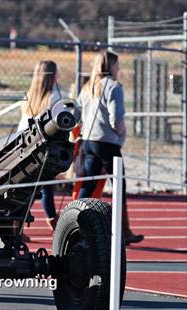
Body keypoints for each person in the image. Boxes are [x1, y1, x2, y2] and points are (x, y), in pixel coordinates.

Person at [77, 50, 144, 245]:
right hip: (107, 142)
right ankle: (123, 230)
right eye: (117, 65)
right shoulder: (114, 87)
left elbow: (80, 112)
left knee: (88, 184)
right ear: (110, 66)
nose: (119, 68)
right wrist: (121, 133)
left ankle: (76, 221)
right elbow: (116, 119)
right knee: (119, 185)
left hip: (89, 140)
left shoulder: (88, 86)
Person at [17, 60, 61, 231]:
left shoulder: (29, 96)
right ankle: (50, 220)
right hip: (43, 149)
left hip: (24, 148)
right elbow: (60, 122)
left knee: (36, 188)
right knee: (40, 188)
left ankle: (48, 219)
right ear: (51, 76)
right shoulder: (54, 96)